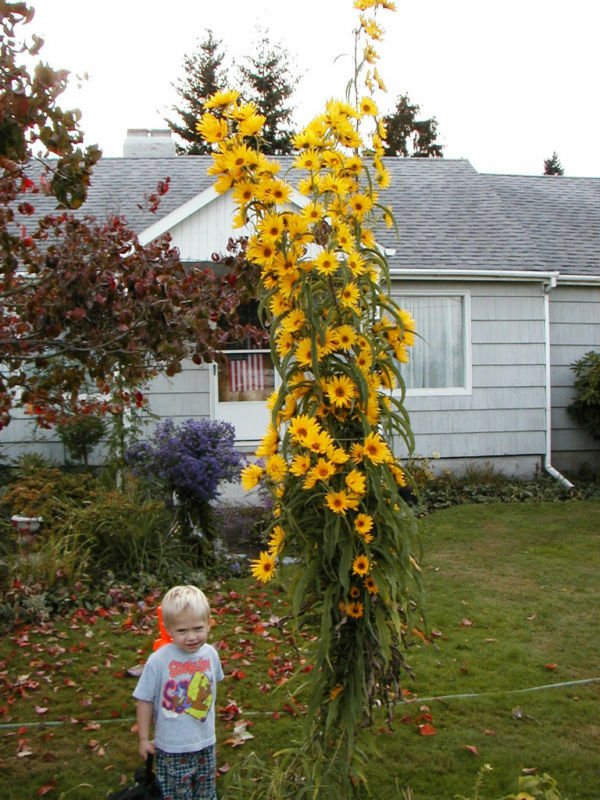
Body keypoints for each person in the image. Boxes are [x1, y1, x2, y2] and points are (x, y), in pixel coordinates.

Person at [133, 585, 224, 800]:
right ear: (168, 628)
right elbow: (144, 699)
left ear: (209, 623)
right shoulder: (159, 660)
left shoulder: (210, 655)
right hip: (172, 747)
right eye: (182, 631)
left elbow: (212, 687)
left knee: (206, 792)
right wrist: (144, 738)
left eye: (198, 628)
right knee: (176, 794)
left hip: (205, 742)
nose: (191, 637)